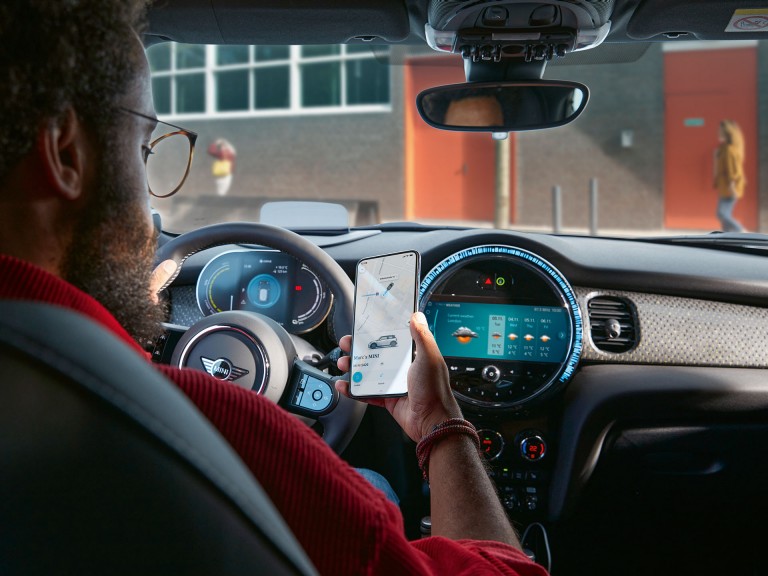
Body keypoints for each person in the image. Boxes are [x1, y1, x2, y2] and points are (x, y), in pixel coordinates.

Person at [0, 2, 547, 574]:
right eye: (144, 150)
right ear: (65, 152)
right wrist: (440, 423)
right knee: (375, 487)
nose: (154, 208)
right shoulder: (216, 431)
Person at [713, 119, 746, 232]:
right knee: (723, 215)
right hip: (724, 187)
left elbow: (734, 170)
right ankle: (726, 236)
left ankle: (740, 230)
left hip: (730, 187)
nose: (718, 132)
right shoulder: (723, 148)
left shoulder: (729, 150)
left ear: (727, 132)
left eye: (721, 130)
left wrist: (732, 186)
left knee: (722, 214)